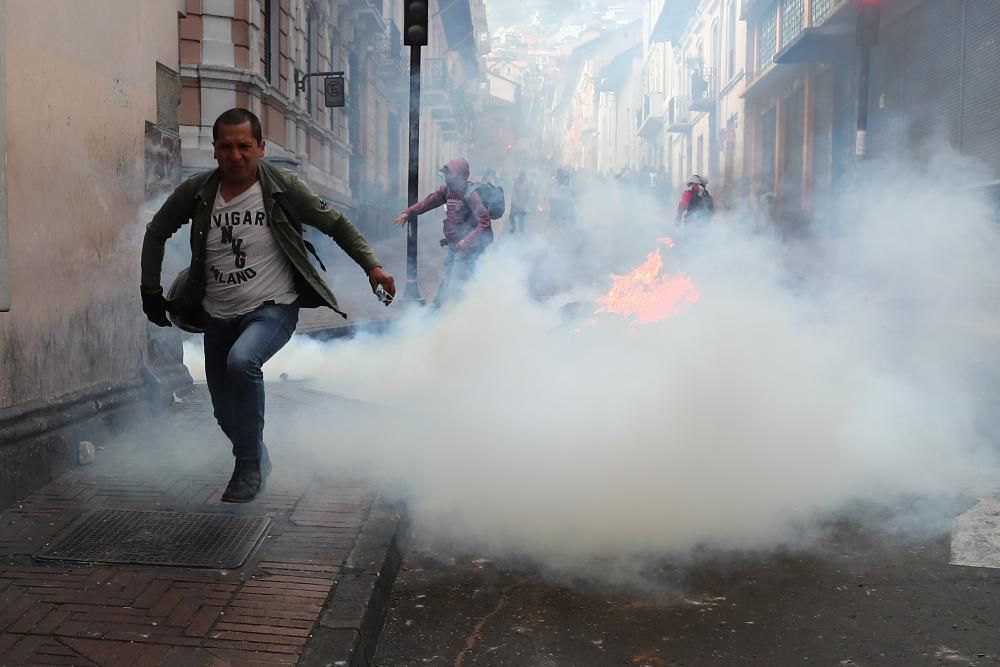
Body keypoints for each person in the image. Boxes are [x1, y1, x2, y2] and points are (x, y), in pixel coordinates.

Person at [140, 108, 395, 503]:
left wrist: (372, 267)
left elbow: (336, 225)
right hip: (217, 314)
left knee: (243, 362)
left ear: (260, 148)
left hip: (273, 307)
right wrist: (150, 291)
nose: (235, 155)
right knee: (224, 412)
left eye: (244, 146)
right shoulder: (198, 191)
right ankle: (256, 453)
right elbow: (156, 231)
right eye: (226, 146)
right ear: (215, 150)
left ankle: (248, 466)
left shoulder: (283, 187)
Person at [393, 158, 493, 306]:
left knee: (463, 280)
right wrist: (408, 213)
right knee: (448, 277)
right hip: (455, 244)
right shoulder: (447, 190)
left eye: (451, 176)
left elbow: (484, 223)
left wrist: (466, 241)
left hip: (471, 247)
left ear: (462, 177)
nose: (448, 180)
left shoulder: (471, 194)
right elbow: (428, 202)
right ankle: (441, 309)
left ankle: (463, 310)